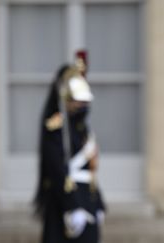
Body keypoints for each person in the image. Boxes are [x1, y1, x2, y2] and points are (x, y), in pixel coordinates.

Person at [33, 51, 106, 243]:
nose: (81, 104)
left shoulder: (82, 126)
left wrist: (98, 203)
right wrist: (71, 206)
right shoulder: (55, 126)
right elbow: (56, 169)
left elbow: (90, 172)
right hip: (64, 204)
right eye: (77, 99)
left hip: (87, 202)